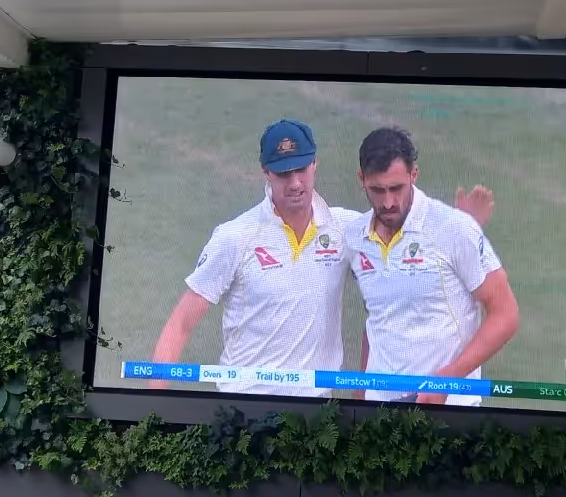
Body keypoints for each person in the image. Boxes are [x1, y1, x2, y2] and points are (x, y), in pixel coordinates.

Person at [149, 119, 492, 397]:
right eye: (283, 173)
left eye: (302, 169)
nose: (295, 183)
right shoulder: (234, 237)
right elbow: (181, 324)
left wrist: (462, 229)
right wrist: (153, 407)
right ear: (265, 173)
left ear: (315, 164)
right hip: (245, 404)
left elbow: (406, 271)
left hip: (315, 415)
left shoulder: (347, 229)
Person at [349, 125, 519, 405]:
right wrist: (361, 396)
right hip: (379, 410)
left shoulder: (454, 228)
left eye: (396, 188)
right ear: (361, 179)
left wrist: (449, 379)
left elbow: (506, 314)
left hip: (448, 408)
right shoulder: (355, 237)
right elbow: (378, 319)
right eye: (377, 190)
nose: (388, 202)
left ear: (414, 174)